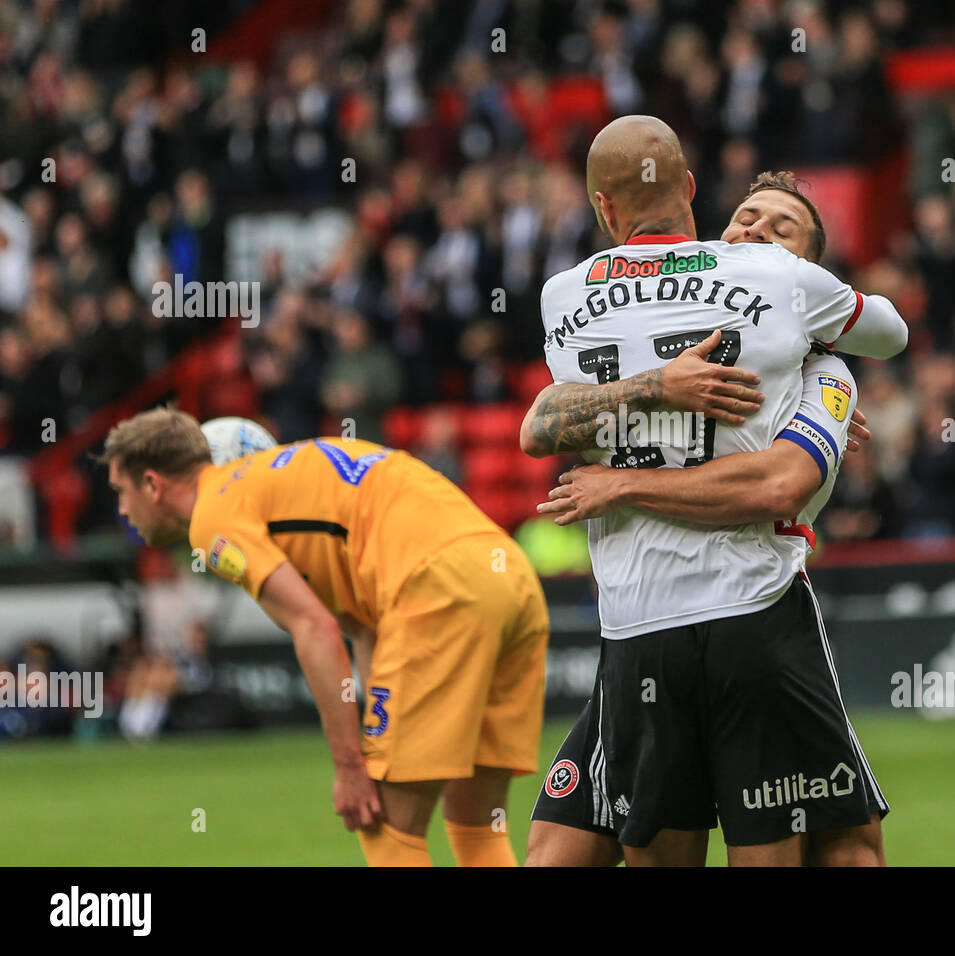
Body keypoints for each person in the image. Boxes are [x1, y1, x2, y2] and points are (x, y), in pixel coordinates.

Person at [523, 116, 907, 866]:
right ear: (700, 206)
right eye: (749, 219)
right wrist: (657, 385)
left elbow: (778, 485)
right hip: (650, 626)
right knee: (557, 848)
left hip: (730, 612)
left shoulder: (825, 375)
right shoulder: (764, 289)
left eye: (785, 229)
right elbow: (539, 422)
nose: (760, 233)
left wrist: (622, 485)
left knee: (843, 844)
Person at [99, 408, 548, 866]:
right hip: (510, 578)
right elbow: (364, 627)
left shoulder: (212, 515)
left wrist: (352, 767)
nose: (120, 508)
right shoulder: (298, 471)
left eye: (120, 491)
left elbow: (315, 627)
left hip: (436, 592)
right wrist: (377, 733)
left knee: (386, 828)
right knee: (477, 827)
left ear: (153, 485)